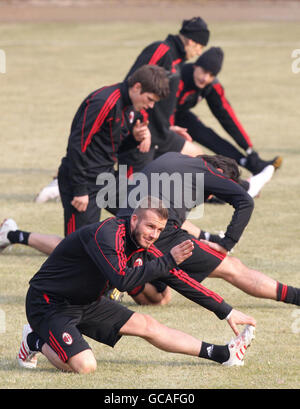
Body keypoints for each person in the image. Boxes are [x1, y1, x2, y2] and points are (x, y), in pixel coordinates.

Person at [2, 154, 300, 310]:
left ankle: (124, 280)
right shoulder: (206, 174)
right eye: (213, 193)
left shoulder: (173, 161)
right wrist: (226, 242)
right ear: (219, 174)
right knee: (232, 268)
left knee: (159, 298)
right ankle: (296, 296)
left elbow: (170, 213)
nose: (209, 198)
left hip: (121, 230)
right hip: (157, 236)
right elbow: (245, 201)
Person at [16, 198, 256, 372]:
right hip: (49, 303)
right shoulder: (106, 235)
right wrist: (169, 258)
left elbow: (178, 279)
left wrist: (226, 311)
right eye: (150, 226)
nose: (154, 234)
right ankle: (34, 339)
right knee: (85, 366)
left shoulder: (143, 244)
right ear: (134, 220)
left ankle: (223, 354)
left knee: (148, 324)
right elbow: (123, 280)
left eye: (160, 229)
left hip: (87, 301)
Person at [57, 64, 169, 236]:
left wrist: (135, 138)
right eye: (150, 99)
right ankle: (14, 234)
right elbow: (77, 144)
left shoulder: (131, 107)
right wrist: (80, 189)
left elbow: (113, 146)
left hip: (106, 177)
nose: (151, 106)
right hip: (83, 181)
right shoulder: (104, 102)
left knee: (145, 216)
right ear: (137, 87)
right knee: (79, 246)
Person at [174, 47, 282, 195]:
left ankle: (252, 164)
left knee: (208, 135)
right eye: (204, 71)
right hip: (159, 119)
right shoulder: (177, 77)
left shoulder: (211, 85)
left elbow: (226, 116)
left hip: (180, 115)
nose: (205, 78)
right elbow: (161, 112)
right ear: (196, 65)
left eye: (211, 74)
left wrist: (248, 148)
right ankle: (219, 192)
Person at [118, 16, 210, 174]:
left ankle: (235, 190)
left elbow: (160, 102)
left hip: (160, 133)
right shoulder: (161, 50)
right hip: (143, 134)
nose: (199, 53)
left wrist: (167, 126)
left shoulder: (177, 59)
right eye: (199, 47)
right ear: (191, 41)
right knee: (130, 191)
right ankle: (66, 184)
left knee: (198, 158)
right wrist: (139, 126)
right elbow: (133, 88)